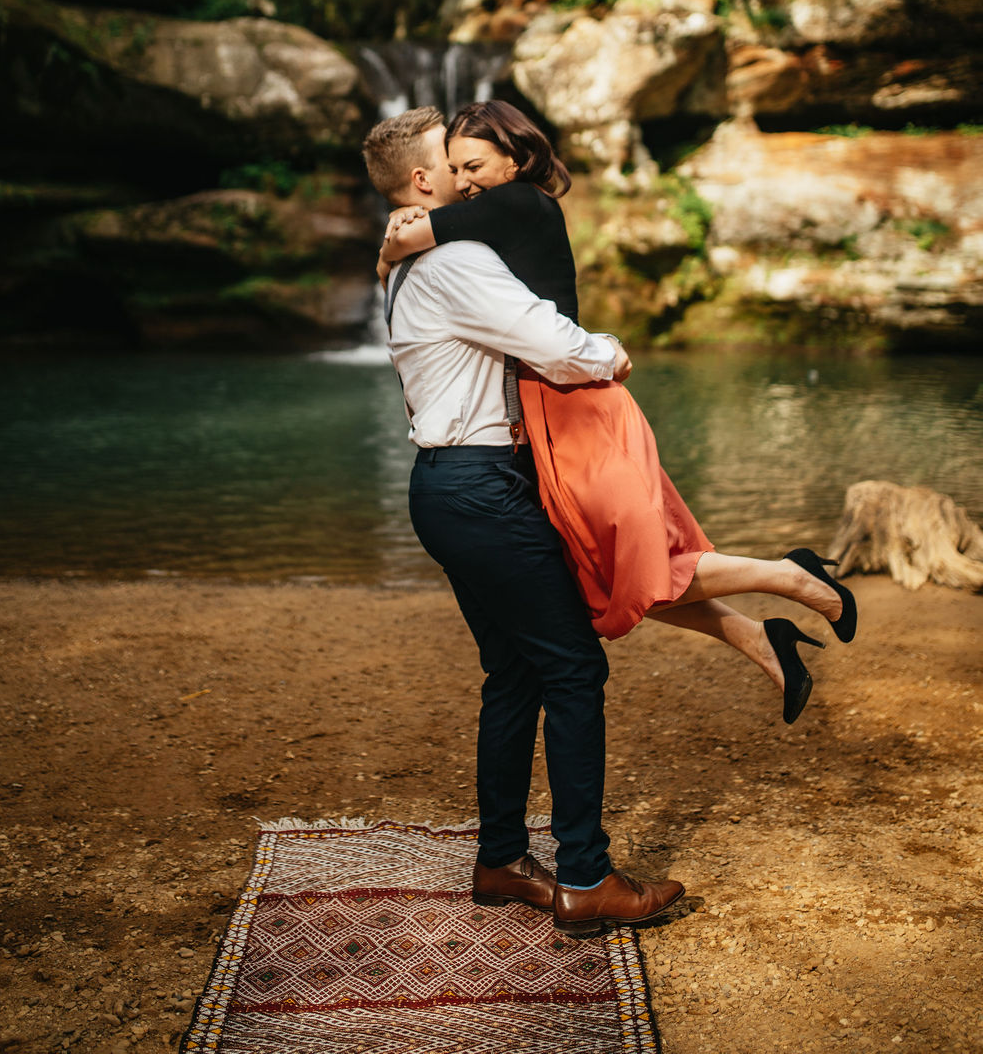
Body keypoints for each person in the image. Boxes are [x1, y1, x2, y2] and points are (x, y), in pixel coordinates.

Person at [377, 100, 858, 727]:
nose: (462, 180)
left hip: (574, 405)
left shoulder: (517, 200)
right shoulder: (491, 214)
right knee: (594, 574)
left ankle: (790, 576)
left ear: (516, 158)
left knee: (626, 564)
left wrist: (393, 236)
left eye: (471, 165)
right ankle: (760, 638)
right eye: (453, 168)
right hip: (547, 407)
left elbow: (403, 246)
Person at [361, 105, 685, 937]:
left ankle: (502, 860)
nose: (472, 181)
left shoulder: (416, 263)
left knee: (514, 673)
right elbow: (556, 344)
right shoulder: (460, 257)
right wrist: (613, 351)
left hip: (445, 485)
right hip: (482, 487)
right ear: (427, 183)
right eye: (456, 166)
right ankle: (584, 878)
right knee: (573, 671)